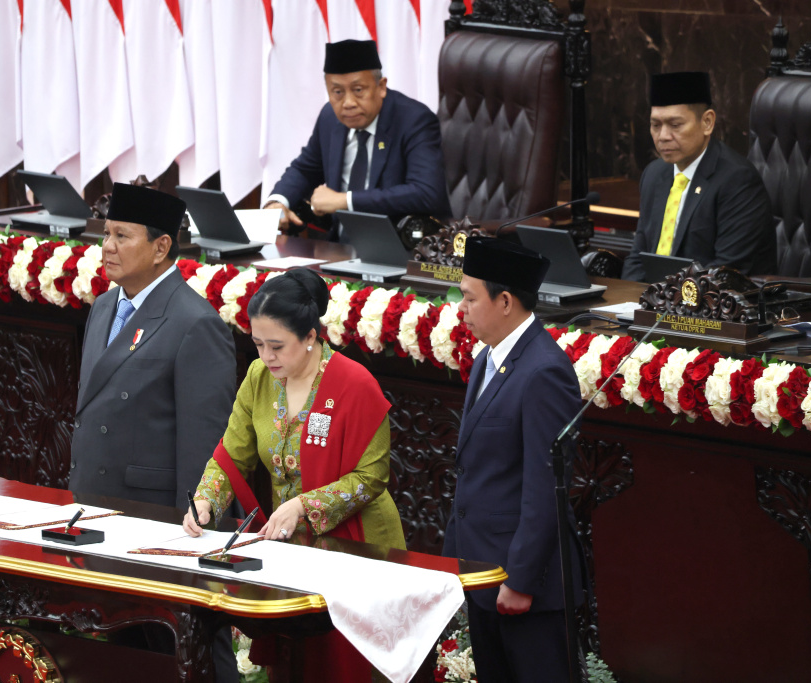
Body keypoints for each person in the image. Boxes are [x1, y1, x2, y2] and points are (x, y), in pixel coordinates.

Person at [183, 268, 404, 681]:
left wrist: (304, 505)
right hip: (292, 550)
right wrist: (204, 501)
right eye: (258, 344)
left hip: (357, 548)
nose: (267, 357)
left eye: (277, 346)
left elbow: (372, 476)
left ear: (310, 337)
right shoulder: (258, 378)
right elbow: (232, 454)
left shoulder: (354, 384)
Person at [443, 236, 584, 682]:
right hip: (482, 574)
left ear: (505, 300)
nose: (460, 308)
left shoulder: (544, 371)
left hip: (524, 585)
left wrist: (519, 580)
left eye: (468, 297)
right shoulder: (489, 357)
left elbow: (545, 489)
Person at [70, 183, 236, 510]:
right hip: (89, 501)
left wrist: (189, 525)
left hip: (148, 513)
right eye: (106, 234)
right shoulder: (103, 306)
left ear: (160, 248)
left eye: (122, 236)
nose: (107, 247)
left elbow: (202, 449)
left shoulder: (196, 323)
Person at [265, 39, 451, 240]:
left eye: (358, 90)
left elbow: (426, 192)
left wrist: (345, 201)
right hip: (337, 247)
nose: (348, 103)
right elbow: (305, 169)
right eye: (337, 92)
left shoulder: (414, 120)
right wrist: (277, 201)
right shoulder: (329, 118)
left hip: (398, 248)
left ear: (381, 86)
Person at [621, 71, 775, 282]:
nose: (663, 136)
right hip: (656, 304)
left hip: (714, 306)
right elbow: (637, 258)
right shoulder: (654, 174)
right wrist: (630, 303)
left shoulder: (737, 180)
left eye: (675, 125)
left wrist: (662, 302)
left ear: (707, 122)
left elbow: (725, 270)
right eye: (656, 125)